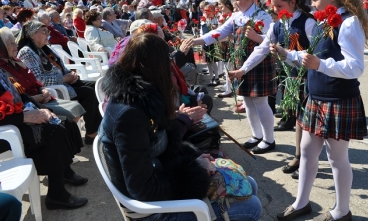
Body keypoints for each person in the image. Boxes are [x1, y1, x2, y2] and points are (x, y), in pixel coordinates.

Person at [99, 33, 262, 221]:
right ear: (157, 67)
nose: (171, 68)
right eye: (167, 61)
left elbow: (156, 146)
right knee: (252, 206)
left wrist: (194, 159)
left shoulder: (138, 99)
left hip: (159, 180)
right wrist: (196, 172)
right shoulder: (130, 115)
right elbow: (142, 189)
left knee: (248, 183)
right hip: (150, 209)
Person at [271, 0, 368, 221]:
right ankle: (301, 202)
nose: (312, 4)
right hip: (316, 96)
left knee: (337, 158)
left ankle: (342, 210)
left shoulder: (348, 23)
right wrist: (288, 54)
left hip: (338, 98)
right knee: (306, 150)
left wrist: (321, 65)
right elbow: (313, 55)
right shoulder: (322, 20)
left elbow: (355, 67)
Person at [192, 0, 277, 154]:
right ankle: (256, 135)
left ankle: (269, 139)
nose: (235, 2)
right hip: (242, 62)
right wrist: (196, 41)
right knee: (247, 101)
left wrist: (258, 37)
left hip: (258, 62)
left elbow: (271, 41)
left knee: (260, 102)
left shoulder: (263, 16)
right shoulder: (236, 16)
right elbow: (219, 33)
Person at [246, 0, 315, 175]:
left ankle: (309, 160)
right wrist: (243, 69)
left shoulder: (308, 22)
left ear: (293, 2)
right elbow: (263, 48)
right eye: (273, 6)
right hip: (293, 77)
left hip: (309, 78)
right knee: (299, 119)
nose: (274, 10)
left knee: (308, 121)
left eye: (279, 6)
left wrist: (288, 54)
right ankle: (298, 156)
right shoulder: (277, 25)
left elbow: (315, 52)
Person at [0, 70, 88, 210]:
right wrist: (23, 117)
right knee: (53, 132)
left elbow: (22, 96)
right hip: (6, 130)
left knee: (65, 122)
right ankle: (56, 194)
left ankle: (65, 171)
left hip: (16, 118)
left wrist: (43, 109)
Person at [16, 21, 101, 144]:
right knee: (88, 93)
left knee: (95, 86)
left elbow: (61, 67)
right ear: (32, 34)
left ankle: (95, 126)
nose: (47, 35)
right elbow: (38, 79)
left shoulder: (45, 48)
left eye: (48, 31)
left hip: (66, 83)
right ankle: (91, 133)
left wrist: (71, 74)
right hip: (55, 88)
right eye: (44, 31)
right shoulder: (27, 52)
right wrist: (63, 79)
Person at [0, 27, 86, 122]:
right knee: (68, 118)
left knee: (76, 108)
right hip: (29, 105)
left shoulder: (16, 61)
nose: (16, 45)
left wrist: (43, 89)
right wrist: (35, 98)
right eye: (11, 43)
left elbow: (35, 81)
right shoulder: (2, 68)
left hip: (42, 97)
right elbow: (15, 97)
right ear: (2, 47)